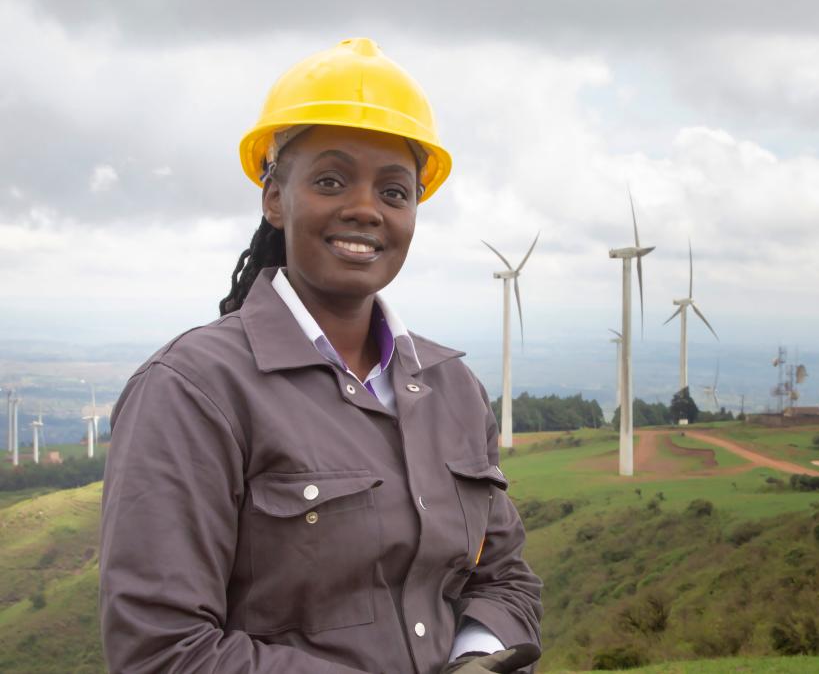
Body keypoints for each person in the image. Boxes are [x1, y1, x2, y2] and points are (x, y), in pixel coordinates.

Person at [99, 38, 542, 674]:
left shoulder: (455, 391)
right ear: (274, 197)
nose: (366, 209)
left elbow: (505, 580)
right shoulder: (193, 392)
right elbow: (161, 652)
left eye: (395, 192)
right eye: (331, 181)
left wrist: (475, 656)